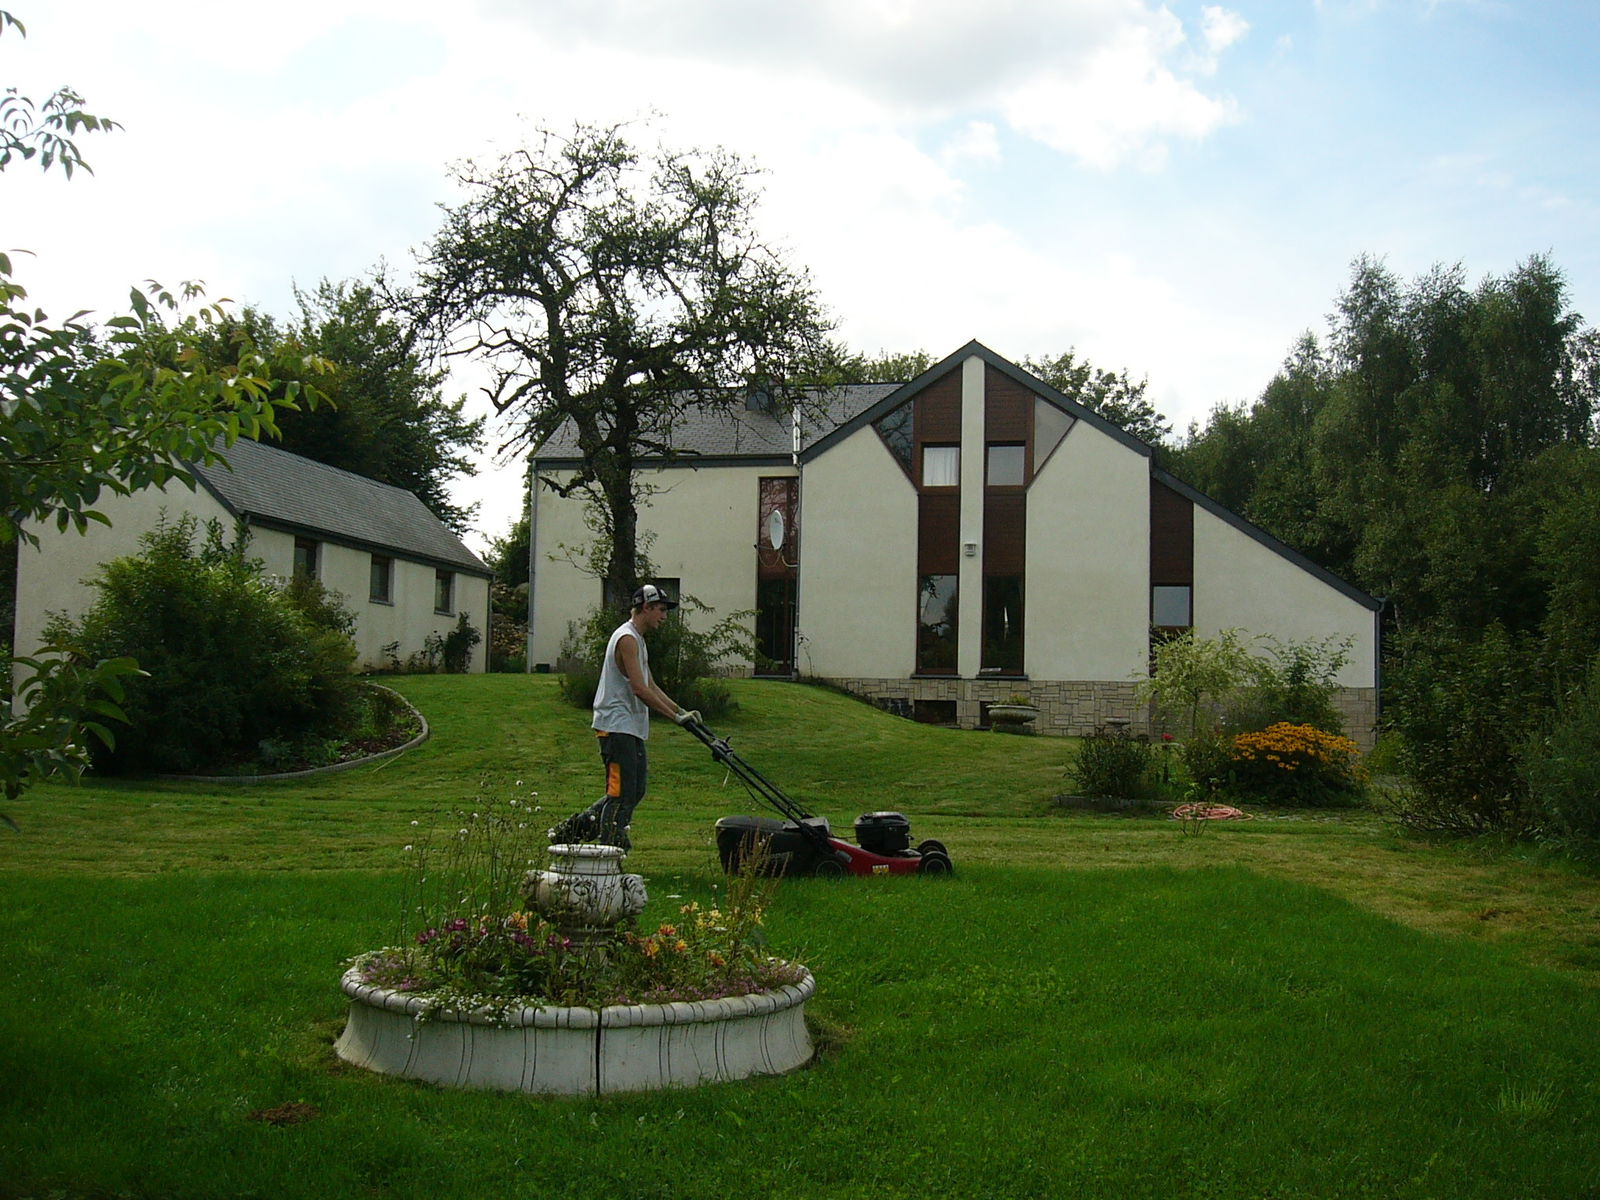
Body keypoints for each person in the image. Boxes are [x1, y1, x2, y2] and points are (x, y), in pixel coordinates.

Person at [548, 584, 701, 851]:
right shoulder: (626, 638)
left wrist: (680, 711)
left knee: (635, 789)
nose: (664, 616)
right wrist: (675, 719)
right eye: (661, 610)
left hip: (629, 728)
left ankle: (571, 831)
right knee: (621, 791)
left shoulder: (638, 640)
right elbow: (639, 689)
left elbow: (651, 684)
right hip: (615, 728)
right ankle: (611, 847)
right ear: (646, 608)